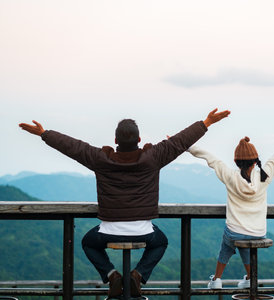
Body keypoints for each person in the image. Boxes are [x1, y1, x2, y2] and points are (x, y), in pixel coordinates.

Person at [18, 108, 230, 298]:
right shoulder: (153, 158)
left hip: (108, 230)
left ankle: (112, 276)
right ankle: (137, 275)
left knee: (87, 242)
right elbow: (179, 142)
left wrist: (44, 134)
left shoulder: (101, 159)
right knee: (161, 241)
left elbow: (74, 147)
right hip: (143, 231)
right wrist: (206, 123)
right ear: (139, 139)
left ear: (115, 140)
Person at [187, 131, 274, 289]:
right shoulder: (264, 175)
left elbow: (211, 158)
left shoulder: (230, 176)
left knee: (228, 244)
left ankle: (217, 279)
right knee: (244, 240)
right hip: (258, 232)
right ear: (255, 162)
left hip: (235, 231)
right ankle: (249, 278)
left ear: (236, 162)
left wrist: (186, 146)